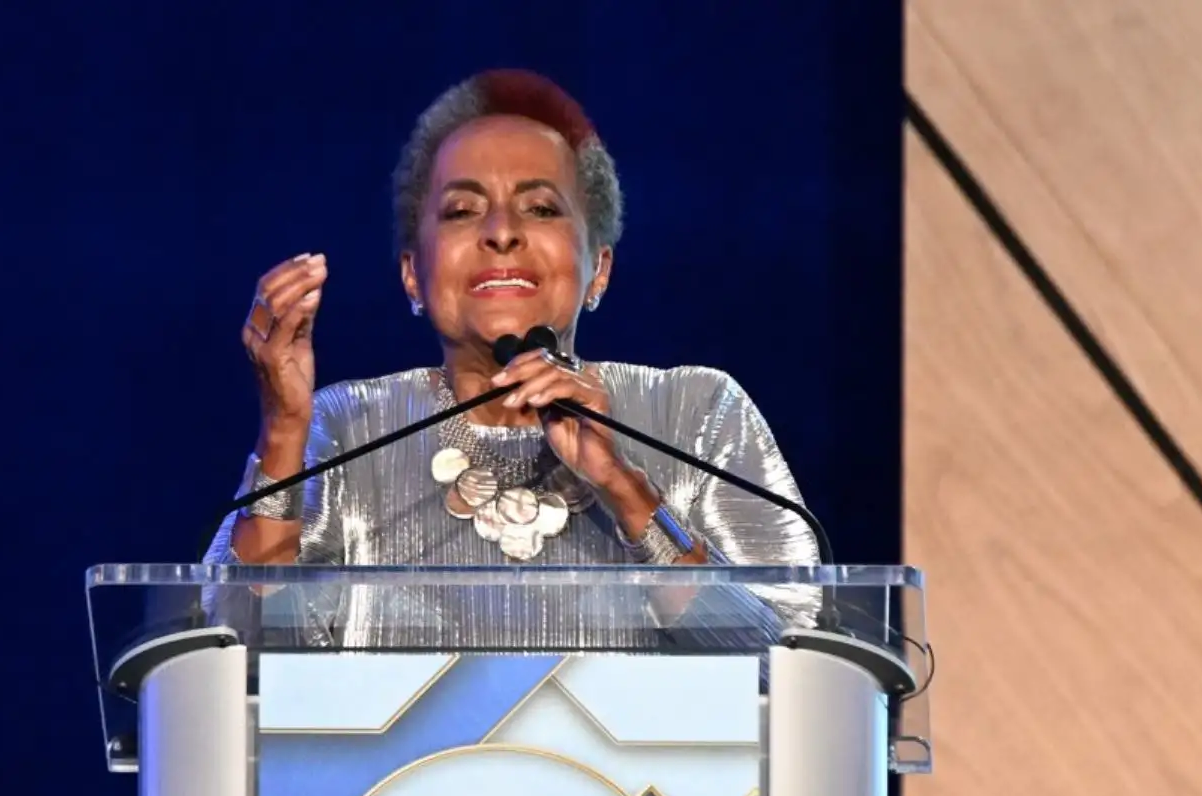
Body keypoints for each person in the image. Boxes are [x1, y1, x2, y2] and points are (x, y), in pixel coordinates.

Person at [203, 69, 818, 649]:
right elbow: (240, 660)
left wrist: (625, 488)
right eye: (463, 210)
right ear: (413, 276)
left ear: (598, 268)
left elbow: (792, 672)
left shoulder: (698, 413)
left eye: (542, 208)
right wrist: (285, 428)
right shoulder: (343, 427)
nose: (501, 231)